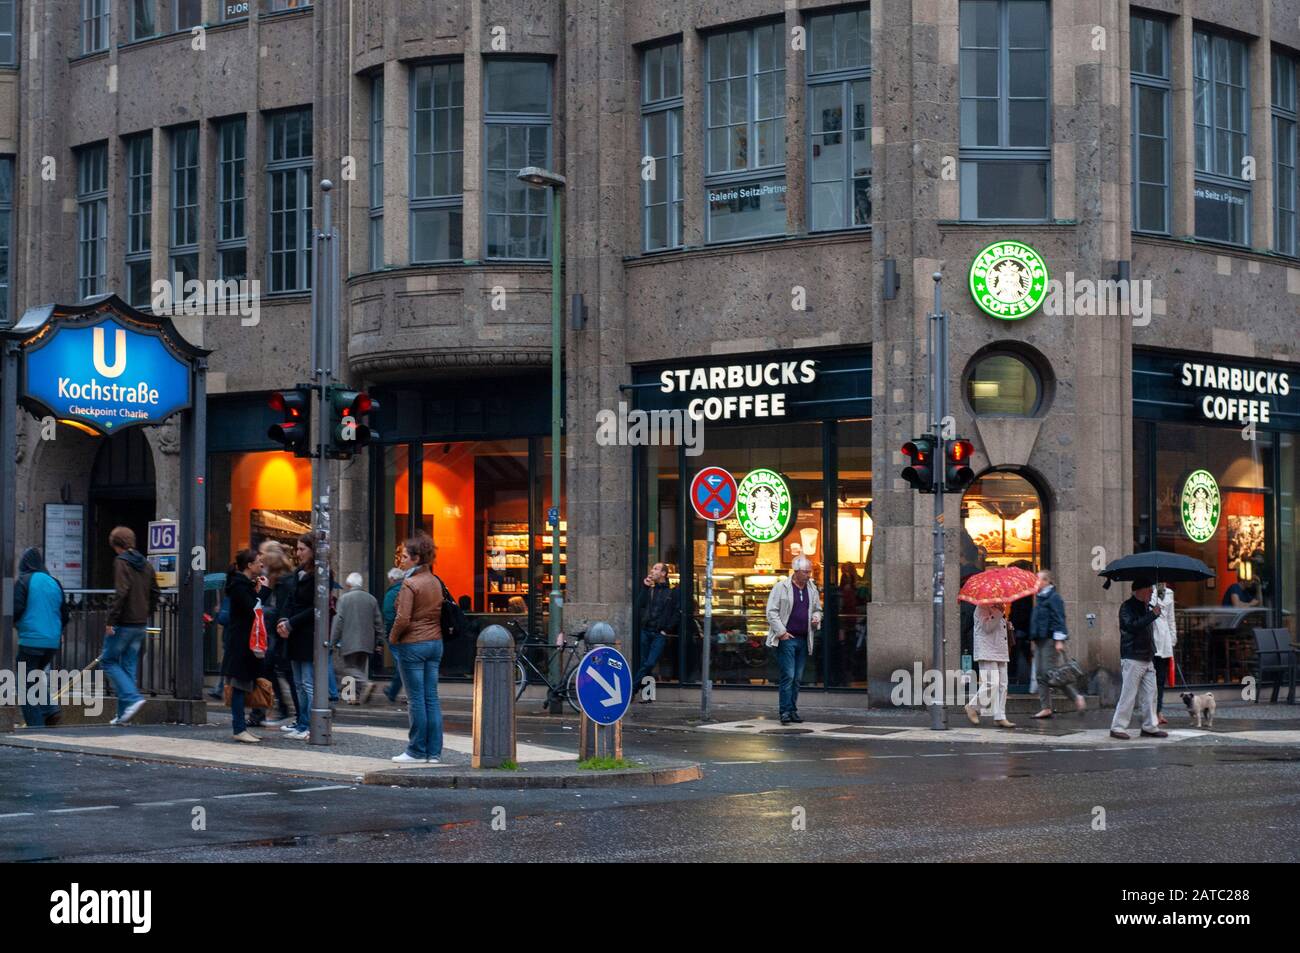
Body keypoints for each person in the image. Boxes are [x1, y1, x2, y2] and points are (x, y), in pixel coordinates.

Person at [388, 534, 445, 763]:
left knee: (416, 700)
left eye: (404, 557)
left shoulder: (410, 584)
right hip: (435, 643)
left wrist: (392, 638)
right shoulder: (434, 581)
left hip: (413, 644)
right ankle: (434, 752)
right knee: (431, 698)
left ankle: (416, 750)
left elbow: (403, 619)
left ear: (416, 558)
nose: (401, 561)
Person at [101, 526, 160, 727]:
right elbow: (155, 591)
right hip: (140, 623)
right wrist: (147, 612)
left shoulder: (121, 562)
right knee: (128, 666)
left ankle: (132, 699)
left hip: (125, 622)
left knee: (108, 661)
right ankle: (123, 715)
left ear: (116, 545)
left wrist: (111, 621)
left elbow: (121, 592)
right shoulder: (145, 563)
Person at [764, 555, 823, 725]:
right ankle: (785, 711)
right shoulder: (781, 587)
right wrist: (782, 632)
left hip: (804, 638)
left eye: (809, 572)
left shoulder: (811, 588)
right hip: (787, 638)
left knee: (797, 677)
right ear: (795, 571)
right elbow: (771, 612)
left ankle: (792, 710)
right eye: (805, 572)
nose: (809, 575)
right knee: (788, 675)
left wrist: (816, 617)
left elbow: (818, 609)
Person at [278, 533, 324, 740]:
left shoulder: (320, 574)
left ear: (313, 550)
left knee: (307, 682)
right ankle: (302, 721)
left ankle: (310, 724)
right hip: (295, 632)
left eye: (302, 549)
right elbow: (290, 599)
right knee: (298, 682)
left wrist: (290, 622)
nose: (298, 553)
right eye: (297, 549)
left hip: (307, 633)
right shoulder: (299, 572)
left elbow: (316, 606)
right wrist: (283, 620)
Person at [1111, 579, 1168, 740]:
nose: (1151, 593)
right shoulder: (1127, 607)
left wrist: (1152, 614)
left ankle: (1150, 726)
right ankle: (1117, 727)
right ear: (1141, 591)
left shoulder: (1145, 607)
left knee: (1151, 693)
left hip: (1147, 655)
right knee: (1129, 694)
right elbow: (1131, 626)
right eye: (1149, 590)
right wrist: (1152, 615)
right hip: (1133, 656)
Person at [14, 547, 65, 728]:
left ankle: (35, 726)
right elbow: (64, 614)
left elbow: (16, 609)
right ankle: (50, 710)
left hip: (31, 640)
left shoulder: (24, 581)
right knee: (34, 677)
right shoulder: (54, 582)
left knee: (23, 683)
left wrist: (17, 625)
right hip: (52, 643)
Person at [223, 549, 268, 744]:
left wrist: (258, 591)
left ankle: (241, 727)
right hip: (240, 643)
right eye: (259, 562)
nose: (261, 565)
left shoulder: (244, 585)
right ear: (249, 565)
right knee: (239, 686)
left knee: (243, 685)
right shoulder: (239, 586)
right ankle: (239, 728)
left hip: (244, 642)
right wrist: (263, 592)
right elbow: (253, 611)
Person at [1028, 569, 1085, 718]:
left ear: (1047, 581)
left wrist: (1059, 640)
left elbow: (1059, 618)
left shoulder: (1054, 598)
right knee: (1040, 674)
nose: (1037, 582)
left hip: (1049, 640)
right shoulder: (1039, 598)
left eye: (1039, 579)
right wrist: (1033, 640)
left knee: (1050, 674)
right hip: (1039, 639)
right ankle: (1046, 707)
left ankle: (1076, 697)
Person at [253, 540, 297, 728]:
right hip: (271, 633)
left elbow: (283, 608)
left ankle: (292, 711)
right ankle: (271, 709)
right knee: (271, 671)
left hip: (279, 633)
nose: (259, 556)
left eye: (262, 552)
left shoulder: (284, 580)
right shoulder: (269, 577)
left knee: (285, 673)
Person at [333, 572, 385, 705]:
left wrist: (332, 640)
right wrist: (379, 640)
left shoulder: (344, 599)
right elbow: (378, 622)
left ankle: (365, 683)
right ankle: (352, 697)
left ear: (349, 584)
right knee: (358, 668)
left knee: (348, 667)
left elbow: (338, 621)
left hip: (349, 639)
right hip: (367, 640)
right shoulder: (371, 599)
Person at [633, 562, 680, 697]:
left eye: (656, 569)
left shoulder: (672, 592)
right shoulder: (650, 589)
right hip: (646, 631)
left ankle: (632, 689)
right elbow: (638, 605)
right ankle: (647, 695)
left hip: (659, 633)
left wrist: (666, 629)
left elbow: (676, 613)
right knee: (644, 664)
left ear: (663, 574)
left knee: (650, 663)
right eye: (652, 568)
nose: (652, 571)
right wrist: (645, 587)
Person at [965, 602, 1015, 727]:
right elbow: (987, 627)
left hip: (1000, 650)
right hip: (987, 650)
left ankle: (1000, 716)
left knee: (1003, 684)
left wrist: (1006, 625)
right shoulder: (982, 607)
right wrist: (999, 613)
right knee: (991, 683)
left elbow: (996, 626)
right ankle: (972, 706)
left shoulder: (998, 608)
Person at [1150, 582, 1176, 726]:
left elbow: (1171, 618)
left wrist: (1172, 639)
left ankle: (1159, 710)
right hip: (1152, 638)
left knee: (1160, 679)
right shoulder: (1149, 592)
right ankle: (1150, 711)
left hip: (1165, 641)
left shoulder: (1170, 593)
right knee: (1150, 680)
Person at [381, 566, 405, 704]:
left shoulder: (391, 594)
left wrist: (391, 633)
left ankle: (393, 691)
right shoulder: (407, 589)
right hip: (408, 632)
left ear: (392, 579)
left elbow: (389, 615)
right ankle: (392, 691)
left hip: (396, 633)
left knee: (401, 665)